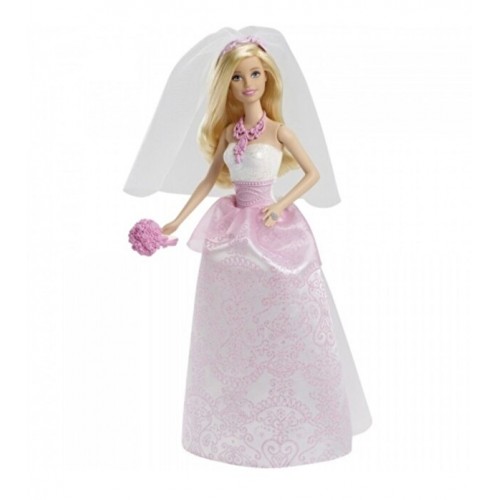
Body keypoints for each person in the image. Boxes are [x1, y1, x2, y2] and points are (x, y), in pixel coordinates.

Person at [124, 27, 372, 468]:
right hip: (231, 229)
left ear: (267, 76)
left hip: (272, 228)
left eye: (254, 74)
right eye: (237, 77)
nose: (247, 84)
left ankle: (300, 410)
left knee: (288, 314)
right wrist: (178, 219)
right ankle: (233, 414)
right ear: (227, 84)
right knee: (232, 322)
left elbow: (312, 174)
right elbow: (207, 182)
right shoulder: (228, 133)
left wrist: (281, 203)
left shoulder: (279, 132)